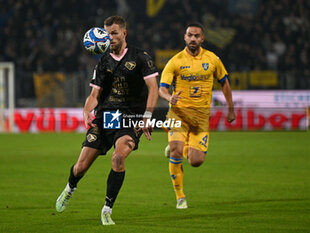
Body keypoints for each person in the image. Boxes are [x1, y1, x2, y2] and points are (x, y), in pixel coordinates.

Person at [55, 16, 159, 225]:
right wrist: (86, 110)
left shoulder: (140, 57)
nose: (110, 37)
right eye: (107, 33)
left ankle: (106, 209)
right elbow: (94, 95)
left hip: (130, 118)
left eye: (114, 33)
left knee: (118, 159)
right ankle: (69, 188)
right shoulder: (103, 62)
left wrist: (147, 117)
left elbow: (153, 89)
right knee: (80, 168)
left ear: (124, 33)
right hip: (106, 116)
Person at [159, 22, 235, 209]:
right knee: (176, 152)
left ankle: (181, 145)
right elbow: (162, 88)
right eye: (189, 35)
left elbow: (224, 82)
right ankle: (180, 197)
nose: (193, 38)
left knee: (196, 161)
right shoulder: (175, 61)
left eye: (196, 36)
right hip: (178, 114)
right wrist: (170, 97)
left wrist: (231, 109)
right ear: (185, 37)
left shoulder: (212, 59)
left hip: (201, 117)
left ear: (202, 38)